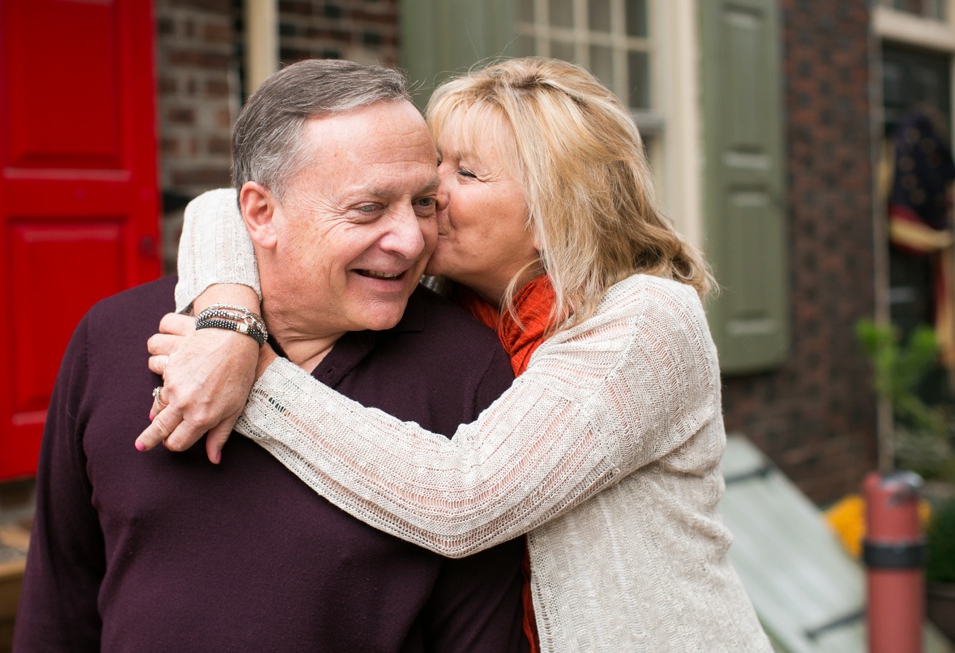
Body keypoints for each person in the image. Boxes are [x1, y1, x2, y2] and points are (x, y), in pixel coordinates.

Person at [140, 57, 774, 651]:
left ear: (559, 209)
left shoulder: (644, 321)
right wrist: (229, 319)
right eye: (435, 164)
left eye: (464, 173)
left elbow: (462, 501)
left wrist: (256, 373)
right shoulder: (455, 312)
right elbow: (227, 207)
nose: (428, 192)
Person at [14, 59, 528, 653]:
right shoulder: (113, 337)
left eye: (422, 203)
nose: (411, 241)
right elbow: (60, 602)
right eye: (368, 209)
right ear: (260, 213)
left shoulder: (465, 369)